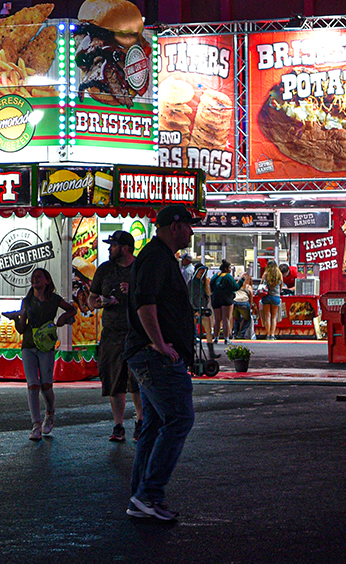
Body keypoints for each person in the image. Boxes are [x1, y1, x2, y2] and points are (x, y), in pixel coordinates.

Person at [125, 204, 200, 522]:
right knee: (179, 419)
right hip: (154, 355)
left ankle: (141, 496)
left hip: (149, 353)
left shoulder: (159, 256)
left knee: (155, 424)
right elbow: (145, 302)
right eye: (189, 226)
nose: (192, 232)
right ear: (175, 226)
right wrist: (159, 343)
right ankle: (148, 494)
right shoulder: (156, 257)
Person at [2, 267, 75, 440]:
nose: (35, 279)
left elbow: (72, 309)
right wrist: (16, 318)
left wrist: (64, 319)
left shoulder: (54, 299)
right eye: (33, 277)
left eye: (39, 277)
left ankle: (50, 413)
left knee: (46, 385)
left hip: (46, 346)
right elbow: (21, 329)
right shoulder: (27, 301)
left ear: (47, 281)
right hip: (28, 345)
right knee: (32, 385)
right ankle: (36, 425)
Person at [89, 230, 143, 442]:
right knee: (113, 381)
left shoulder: (140, 268)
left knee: (136, 381)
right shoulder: (104, 269)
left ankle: (140, 421)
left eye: (112, 245)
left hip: (136, 333)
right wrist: (101, 303)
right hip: (111, 334)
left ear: (125, 248)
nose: (109, 249)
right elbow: (91, 300)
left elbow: (154, 298)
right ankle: (118, 426)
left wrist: (133, 291)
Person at [209, 262, 238, 343]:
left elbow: (211, 286)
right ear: (226, 269)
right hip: (226, 298)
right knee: (226, 319)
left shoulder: (216, 276)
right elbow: (235, 287)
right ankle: (226, 338)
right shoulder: (228, 276)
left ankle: (216, 338)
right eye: (229, 268)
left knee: (217, 319)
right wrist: (241, 280)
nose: (230, 269)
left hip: (215, 298)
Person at [261, 259, 283, 339]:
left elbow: (261, 284)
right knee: (274, 317)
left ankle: (267, 334)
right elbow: (281, 286)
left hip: (266, 296)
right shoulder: (279, 274)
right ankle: (272, 335)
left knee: (267, 316)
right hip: (276, 296)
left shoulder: (265, 274)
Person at [188, 263, 211, 340]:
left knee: (208, 330)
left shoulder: (204, 283)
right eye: (201, 271)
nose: (202, 273)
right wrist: (194, 308)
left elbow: (207, 295)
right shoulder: (192, 283)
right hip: (195, 309)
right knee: (192, 329)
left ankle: (210, 348)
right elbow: (190, 297)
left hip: (203, 308)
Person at [232, 275, 254, 340]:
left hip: (234, 302)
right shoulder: (248, 287)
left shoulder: (236, 285)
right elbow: (251, 298)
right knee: (247, 319)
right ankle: (241, 334)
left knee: (237, 318)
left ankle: (235, 333)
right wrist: (250, 307)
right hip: (244, 303)